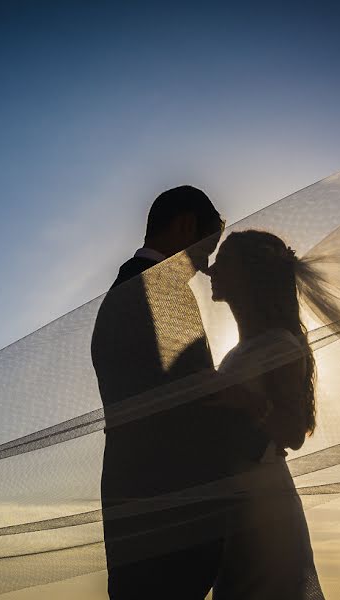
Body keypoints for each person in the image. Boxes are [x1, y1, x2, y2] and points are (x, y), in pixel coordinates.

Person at [90, 185, 227, 600]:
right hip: (168, 504)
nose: (205, 266)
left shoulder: (124, 287)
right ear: (185, 226)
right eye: (207, 249)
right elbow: (193, 393)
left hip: (133, 496)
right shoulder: (159, 290)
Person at [206, 229, 326, 599]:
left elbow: (293, 431)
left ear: (247, 274)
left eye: (222, 261)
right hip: (238, 500)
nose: (210, 270)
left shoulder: (280, 345)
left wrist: (247, 402)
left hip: (264, 506)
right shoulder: (244, 346)